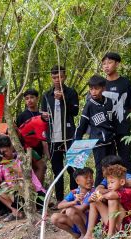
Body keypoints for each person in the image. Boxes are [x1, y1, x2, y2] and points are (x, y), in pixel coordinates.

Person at [78, 163, 131, 239]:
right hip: (115, 225)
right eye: (108, 183)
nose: (109, 185)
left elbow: (111, 196)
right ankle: (89, 235)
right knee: (94, 202)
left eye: (112, 182)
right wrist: (94, 197)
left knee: (112, 201)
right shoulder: (112, 191)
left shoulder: (129, 191)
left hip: (127, 227)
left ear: (122, 182)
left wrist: (100, 196)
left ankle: (110, 235)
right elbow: (93, 199)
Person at [41, 65, 80, 200]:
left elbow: (75, 112)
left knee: (73, 168)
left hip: (69, 136)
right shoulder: (46, 95)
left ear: (65, 77)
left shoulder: (71, 92)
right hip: (53, 137)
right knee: (57, 170)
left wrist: (63, 100)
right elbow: (42, 115)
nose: (57, 80)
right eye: (54, 77)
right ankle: (59, 200)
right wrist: (43, 116)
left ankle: (75, 198)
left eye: (60, 77)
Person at [75, 75, 118, 183]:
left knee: (112, 168)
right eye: (91, 89)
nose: (93, 92)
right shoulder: (89, 105)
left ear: (103, 88)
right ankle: (98, 194)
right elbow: (81, 126)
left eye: (96, 88)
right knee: (100, 169)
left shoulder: (109, 102)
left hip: (110, 142)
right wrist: (76, 145)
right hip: (98, 144)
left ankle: (111, 191)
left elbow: (114, 122)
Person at [101, 52, 131, 177]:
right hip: (105, 130)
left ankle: (130, 187)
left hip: (123, 128)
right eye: (104, 63)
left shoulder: (126, 83)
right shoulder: (100, 84)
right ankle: (108, 188)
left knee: (125, 159)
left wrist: (125, 121)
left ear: (117, 64)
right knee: (107, 161)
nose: (106, 66)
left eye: (110, 62)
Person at [0, 135, 45, 222]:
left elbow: (24, 176)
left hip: (35, 194)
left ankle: (23, 210)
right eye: (1, 152)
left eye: (5, 151)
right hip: (18, 196)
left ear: (11, 147)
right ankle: (15, 211)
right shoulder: (0, 162)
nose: (3, 154)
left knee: (19, 184)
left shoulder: (21, 157)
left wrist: (6, 163)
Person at [15, 89, 49, 185]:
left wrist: (47, 153)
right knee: (31, 170)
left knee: (41, 168)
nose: (29, 100)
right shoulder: (22, 116)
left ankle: (39, 192)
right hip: (26, 149)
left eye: (32, 97)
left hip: (39, 148)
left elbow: (45, 135)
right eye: (27, 98)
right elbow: (17, 135)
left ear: (37, 98)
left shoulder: (42, 115)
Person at [51, 167, 94, 239]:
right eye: (86, 177)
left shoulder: (93, 192)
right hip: (77, 223)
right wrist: (73, 202)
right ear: (77, 181)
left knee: (70, 210)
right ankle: (76, 235)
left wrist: (68, 207)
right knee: (54, 217)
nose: (89, 179)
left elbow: (82, 208)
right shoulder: (74, 192)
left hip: (90, 222)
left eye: (91, 177)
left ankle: (84, 235)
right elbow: (59, 205)